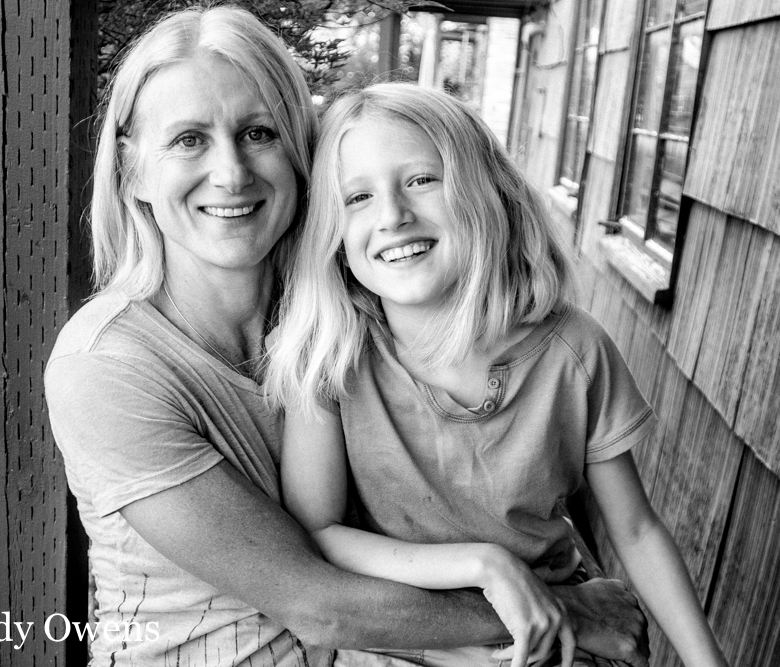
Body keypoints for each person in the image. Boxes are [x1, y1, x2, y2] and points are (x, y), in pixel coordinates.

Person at [44, 7, 649, 667]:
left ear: (302, 156)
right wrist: (565, 612)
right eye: (189, 139)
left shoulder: (352, 310)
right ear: (131, 169)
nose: (232, 173)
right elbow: (316, 605)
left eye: (258, 132)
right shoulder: (105, 368)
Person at [267, 83, 728, 667]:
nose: (392, 216)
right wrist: (485, 564)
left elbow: (636, 531)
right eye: (357, 197)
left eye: (421, 180)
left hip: (554, 635)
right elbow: (319, 531)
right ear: (331, 232)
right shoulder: (329, 358)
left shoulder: (572, 352)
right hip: (399, 641)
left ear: (487, 192)